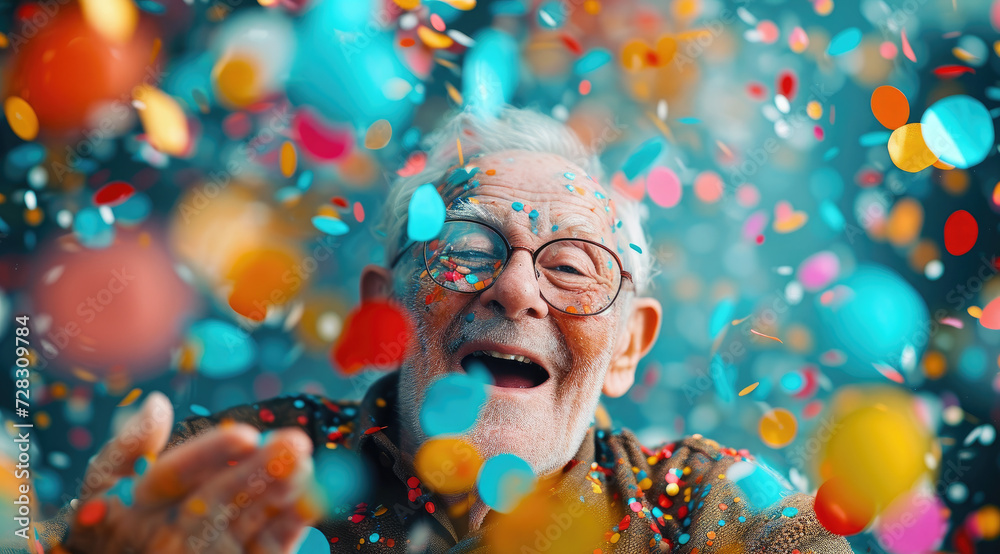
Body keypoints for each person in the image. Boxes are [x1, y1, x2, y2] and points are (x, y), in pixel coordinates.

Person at [31, 107, 851, 553]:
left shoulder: (730, 517)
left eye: (572, 266)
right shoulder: (230, 476)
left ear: (630, 344)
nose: (516, 287)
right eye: (466, 248)